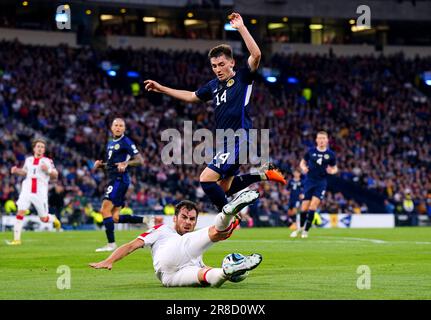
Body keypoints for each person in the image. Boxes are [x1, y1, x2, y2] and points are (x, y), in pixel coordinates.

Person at [144, 12, 286, 214]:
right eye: (214, 66)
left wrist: (241, 28)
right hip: (225, 140)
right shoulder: (213, 86)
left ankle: (227, 218)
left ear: (232, 63)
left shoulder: (243, 77)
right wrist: (162, 88)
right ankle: (263, 175)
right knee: (224, 188)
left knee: (206, 179)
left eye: (221, 64)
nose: (217, 69)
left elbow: (256, 55)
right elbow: (192, 96)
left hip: (240, 138)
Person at [89, 190, 263, 287]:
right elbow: (132, 245)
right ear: (175, 218)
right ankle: (227, 212)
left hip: (169, 278)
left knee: (209, 278)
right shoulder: (162, 229)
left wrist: (230, 274)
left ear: (195, 221)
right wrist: (110, 260)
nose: (187, 222)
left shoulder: (192, 244)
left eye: (192, 219)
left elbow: (201, 266)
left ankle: (228, 271)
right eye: (184, 217)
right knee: (217, 233)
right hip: (169, 256)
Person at [93, 118, 145, 252]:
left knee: (104, 210)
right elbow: (111, 165)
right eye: (116, 125)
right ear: (111, 127)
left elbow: (140, 160)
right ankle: (146, 220)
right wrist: (100, 165)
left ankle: (111, 244)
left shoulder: (126, 141)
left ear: (124, 128)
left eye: (121, 125)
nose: (118, 127)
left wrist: (127, 163)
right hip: (114, 178)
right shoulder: (110, 143)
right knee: (114, 217)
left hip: (119, 179)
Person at [6, 139, 61, 245]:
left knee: (43, 218)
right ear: (34, 148)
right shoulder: (28, 160)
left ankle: (53, 218)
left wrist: (48, 170)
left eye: (42, 147)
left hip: (40, 192)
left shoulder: (47, 161)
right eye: (38, 146)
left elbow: (55, 175)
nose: (40, 149)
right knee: (20, 211)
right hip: (26, 189)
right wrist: (17, 171)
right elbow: (25, 172)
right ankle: (16, 240)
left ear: (44, 150)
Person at [290, 131, 338, 238]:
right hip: (309, 181)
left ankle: (305, 231)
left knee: (313, 206)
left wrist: (333, 171)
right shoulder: (310, 151)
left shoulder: (330, 155)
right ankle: (300, 228)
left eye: (323, 138)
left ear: (327, 140)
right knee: (304, 208)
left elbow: (335, 168)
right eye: (319, 138)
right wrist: (303, 168)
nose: (321, 140)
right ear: (316, 140)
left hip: (321, 183)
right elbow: (302, 162)